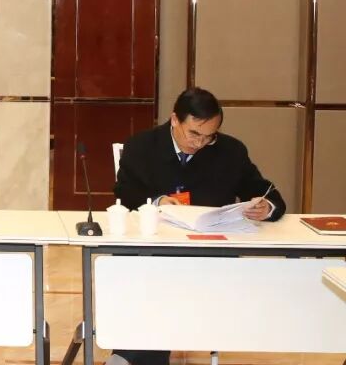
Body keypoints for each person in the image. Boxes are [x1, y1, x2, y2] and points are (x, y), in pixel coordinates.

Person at [108, 87, 285, 365]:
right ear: (174, 120)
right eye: (194, 134)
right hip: (153, 250)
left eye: (209, 137)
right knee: (153, 281)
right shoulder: (141, 146)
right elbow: (125, 193)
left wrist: (267, 206)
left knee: (167, 287)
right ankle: (131, 356)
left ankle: (125, 358)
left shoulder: (230, 151)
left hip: (208, 255)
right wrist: (157, 201)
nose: (200, 143)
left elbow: (264, 190)